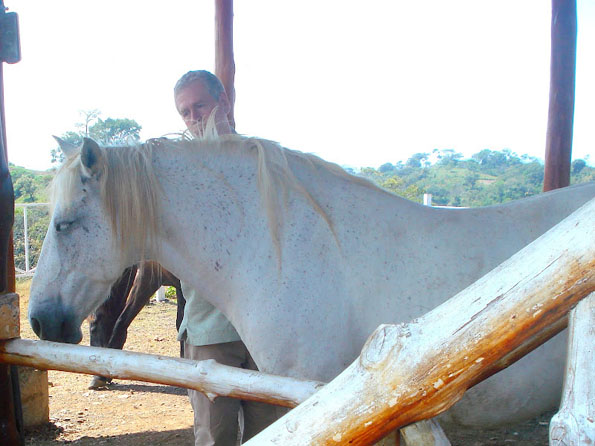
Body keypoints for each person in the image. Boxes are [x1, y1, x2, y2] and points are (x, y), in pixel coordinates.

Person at [173, 70, 280, 445]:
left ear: (224, 104)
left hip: (266, 330)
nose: (193, 118)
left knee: (270, 434)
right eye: (184, 112)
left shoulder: (261, 160)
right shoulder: (181, 174)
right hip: (208, 330)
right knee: (214, 437)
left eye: (199, 106)